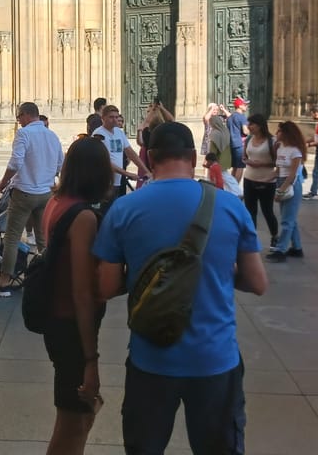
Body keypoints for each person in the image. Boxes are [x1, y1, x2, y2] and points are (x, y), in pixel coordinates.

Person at [94, 122, 268, 454]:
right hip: (215, 358)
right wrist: (216, 272)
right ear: (192, 156)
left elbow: (105, 286)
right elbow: (258, 283)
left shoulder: (124, 209)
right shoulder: (230, 206)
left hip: (151, 359)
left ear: (150, 157)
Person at [40, 137, 113, 454]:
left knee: (77, 418)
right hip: (71, 328)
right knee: (73, 422)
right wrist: (91, 360)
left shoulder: (55, 202)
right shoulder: (83, 218)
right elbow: (82, 293)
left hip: (57, 324)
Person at [0, 102, 63, 297]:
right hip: (46, 192)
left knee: (11, 237)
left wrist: (3, 182)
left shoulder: (24, 134)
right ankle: (47, 278)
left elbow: (16, 161)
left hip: (24, 192)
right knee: (43, 237)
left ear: (27, 115)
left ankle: (4, 282)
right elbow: (61, 162)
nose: (18, 121)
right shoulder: (52, 135)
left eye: (19, 116)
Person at [92, 105, 151, 205]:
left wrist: (146, 171)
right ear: (103, 118)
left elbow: (130, 152)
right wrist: (126, 173)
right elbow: (103, 160)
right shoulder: (98, 134)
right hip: (105, 181)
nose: (114, 120)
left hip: (118, 180)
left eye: (116, 117)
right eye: (111, 117)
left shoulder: (119, 132)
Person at [267, 121, 308, 262]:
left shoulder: (295, 151)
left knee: (286, 221)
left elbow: (293, 174)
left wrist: (281, 190)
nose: (276, 133)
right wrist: (266, 179)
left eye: (279, 131)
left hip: (291, 185)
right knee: (290, 219)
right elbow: (278, 169)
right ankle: (297, 248)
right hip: (281, 181)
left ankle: (280, 250)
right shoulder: (280, 148)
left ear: (286, 133)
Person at [241, 113, 279, 247]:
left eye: (252, 124)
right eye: (248, 124)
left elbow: (277, 163)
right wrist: (247, 161)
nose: (249, 127)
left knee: (267, 211)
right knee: (250, 211)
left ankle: (275, 237)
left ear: (260, 125)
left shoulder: (272, 141)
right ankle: (252, 239)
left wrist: (261, 164)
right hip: (249, 178)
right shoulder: (249, 139)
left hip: (266, 181)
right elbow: (244, 156)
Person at [227, 98, 250, 181]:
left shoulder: (230, 117)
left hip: (232, 144)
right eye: (245, 104)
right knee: (240, 167)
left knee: (235, 167)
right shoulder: (242, 117)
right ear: (240, 106)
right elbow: (245, 131)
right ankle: (236, 188)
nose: (247, 106)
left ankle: (232, 186)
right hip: (240, 144)